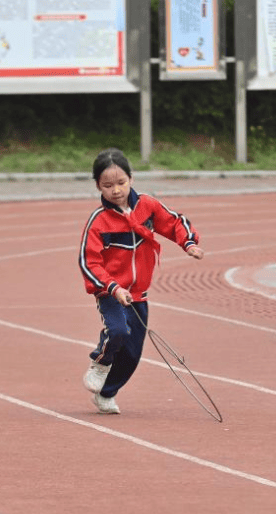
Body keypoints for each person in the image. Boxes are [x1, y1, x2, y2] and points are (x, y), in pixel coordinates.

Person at [78, 148, 204, 414]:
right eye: (107, 185)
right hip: (111, 291)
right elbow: (90, 262)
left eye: (121, 182)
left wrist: (189, 243)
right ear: (98, 186)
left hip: (138, 294)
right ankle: (100, 362)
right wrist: (113, 287)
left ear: (131, 179)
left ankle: (106, 394)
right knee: (118, 330)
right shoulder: (99, 222)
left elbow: (174, 222)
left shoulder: (147, 206)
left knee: (133, 353)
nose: (116, 190)